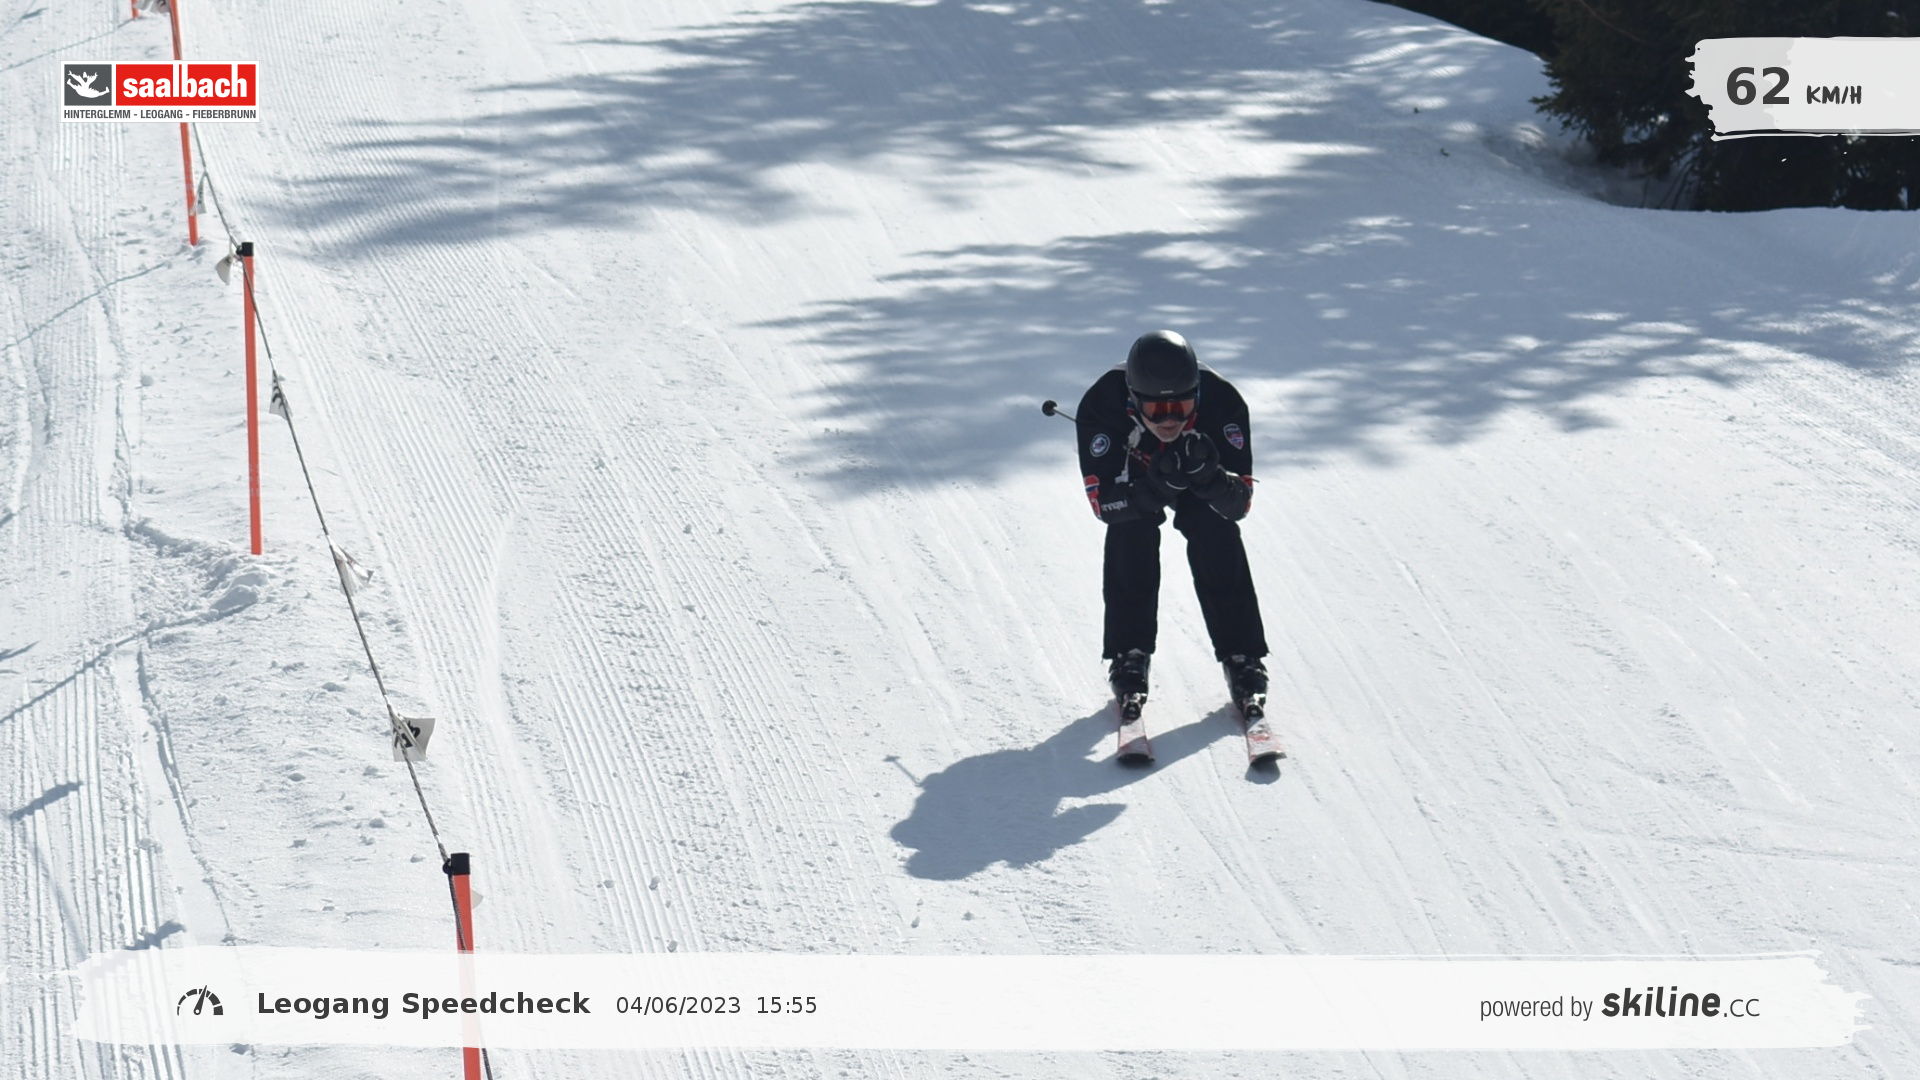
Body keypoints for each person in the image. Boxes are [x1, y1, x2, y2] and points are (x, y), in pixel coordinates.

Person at [1075, 330, 1269, 709]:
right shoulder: (1102, 405)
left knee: (1213, 526)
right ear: (1134, 400)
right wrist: (1152, 489)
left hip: (1199, 477)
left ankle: (1242, 655)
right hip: (1138, 477)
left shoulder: (1223, 403)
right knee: (1132, 528)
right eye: (1157, 410)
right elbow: (1104, 507)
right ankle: (1129, 653)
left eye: (1181, 407)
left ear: (1197, 393)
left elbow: (1238, 506)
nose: (1170, 420)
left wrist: (1212, 479)